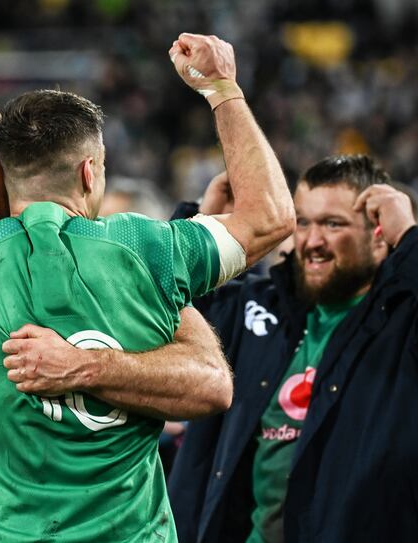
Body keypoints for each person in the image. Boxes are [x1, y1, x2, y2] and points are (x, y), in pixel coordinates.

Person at [0, 33, 294, 541]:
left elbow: (211, 383)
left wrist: (83, 366)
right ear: (88, 170)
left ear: (6, 155)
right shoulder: (136, 249)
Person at [167, 154, 418, 543]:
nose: (312, 241)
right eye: (303, 222)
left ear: (379, 234)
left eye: (333, 224)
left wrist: (411, 239)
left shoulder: (400, 325)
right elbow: (165, 314)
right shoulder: (259, 309)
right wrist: (201, 219)